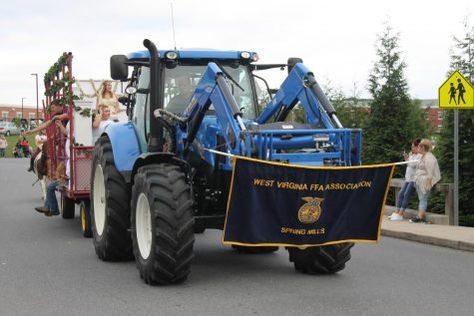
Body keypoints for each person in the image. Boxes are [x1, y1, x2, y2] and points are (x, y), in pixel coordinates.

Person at [388, 139, 422, 221]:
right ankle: (396, 212)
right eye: (412, 147)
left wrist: (407, 159)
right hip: (408, 179)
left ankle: (401, 214)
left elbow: (413, 165)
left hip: (413, 180)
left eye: (413, 147)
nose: (412, 149)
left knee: (406, 194)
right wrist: (407, 158)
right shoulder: (412, 155)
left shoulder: (420, 156)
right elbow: (408, 165)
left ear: (418, 147)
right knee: (400, 194)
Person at [410, 139, 441, 223]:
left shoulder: (429, 157)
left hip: (426, 180)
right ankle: (421, 215)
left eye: (419, 146)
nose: (417, 148)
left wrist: (428, 184)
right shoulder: (422, 156)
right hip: (420, 179)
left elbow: (430, 173)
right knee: (421, 199)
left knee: (423, 198)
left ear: (423, 147)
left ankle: (419, 217)